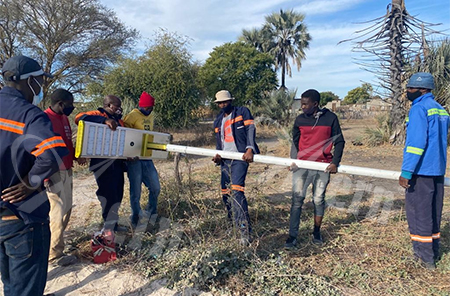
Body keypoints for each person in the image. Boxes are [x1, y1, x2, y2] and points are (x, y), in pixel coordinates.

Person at [0, 55, 68, 296]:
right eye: (40, 80)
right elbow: (51, 154)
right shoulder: (29, 115)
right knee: (24, 289)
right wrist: (32, 182)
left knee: (9, 284)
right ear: (30, 81)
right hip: (22, 218)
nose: (41, 86)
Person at [399, 72, 449, 270]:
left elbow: (416, 144)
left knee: (419, 213)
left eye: (410, 88)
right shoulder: (441, 110)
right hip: (437, 170)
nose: (408, 91)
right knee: (433, 212)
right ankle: (434, 250)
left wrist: (406, 171)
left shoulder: (419, 108)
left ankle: (423, 257)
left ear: (422, 89)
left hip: (421, 171)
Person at [285, 89, 345, 249]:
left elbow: (339, 142)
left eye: (305, 104)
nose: (302, 107)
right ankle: (292, 236)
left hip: (322, 166)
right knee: (297, 200)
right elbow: (295, 142)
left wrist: (335, 163)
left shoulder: (330, 118)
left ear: (315, 104)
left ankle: (316, 232)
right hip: (302, 166)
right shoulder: (299, 120)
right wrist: (294, 160)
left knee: (318, 199)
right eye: (301, 104)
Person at [212, 90, 259, 246]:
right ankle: (232, 225)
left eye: (225, 102)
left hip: (240, 158)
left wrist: (250, 148)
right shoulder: (218, 120)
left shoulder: (242, 112)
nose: (222, 105)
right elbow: (220, 142)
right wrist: (218, 156)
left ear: (230, 101)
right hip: (225, 160)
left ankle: (244, 230)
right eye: (220, 103)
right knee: (226, 194)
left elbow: (250, 130)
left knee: (237, 192)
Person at [75, 95, 127, 232]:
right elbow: (79, 118)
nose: (119, 109)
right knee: (107, 194)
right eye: (117, 106)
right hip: (102, 164)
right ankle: (108, 227)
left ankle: (114, 224)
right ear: (109, 105)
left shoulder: (119, 121)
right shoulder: (96, 114)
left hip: (117, 164)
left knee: (118, 194)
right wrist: (104, 120)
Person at [44, 88, 79, 266]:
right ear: (60, 104)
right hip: (53, 172)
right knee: (57, 212)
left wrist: (75, 156)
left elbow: (66, 142)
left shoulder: (64, 118)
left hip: (67, 168)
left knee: (66, 210)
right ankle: (54, 255)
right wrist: (45, 176)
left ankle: (57, 244)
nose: (71, 108)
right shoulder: (43, 119)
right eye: (70, 105)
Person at [124, 91, 161, 228]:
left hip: (147, 157)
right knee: (136, 191)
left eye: (151, 108)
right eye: (146, 108)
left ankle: (151, 212)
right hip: (134, 159)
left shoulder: (150, 116)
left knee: (155, 187)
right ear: (141, 106)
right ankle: (136, 217)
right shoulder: (132, 116)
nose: (149, 110)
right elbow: (124, 134)